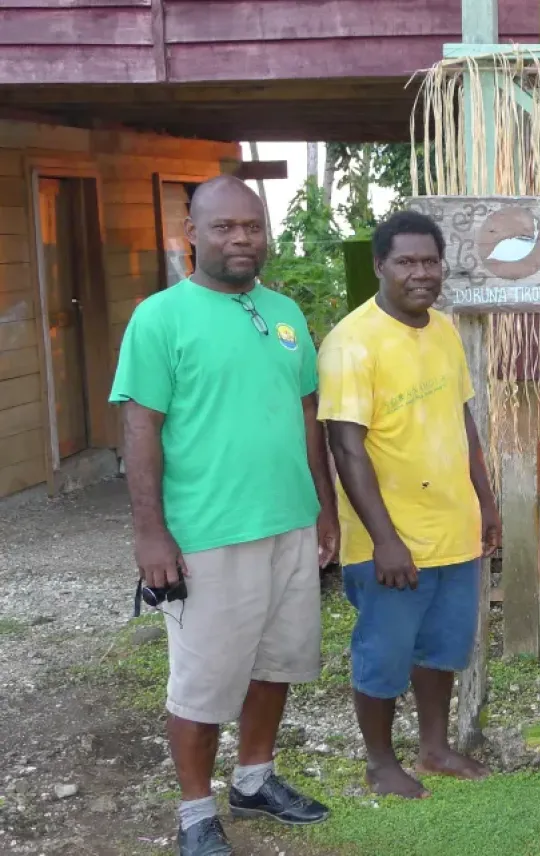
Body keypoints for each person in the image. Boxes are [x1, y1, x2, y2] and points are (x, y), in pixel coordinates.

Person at [110, 176, 339, 856]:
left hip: (290, 525)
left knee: (276, 664)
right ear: (193, 233)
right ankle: (194, 815)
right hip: (209, 534)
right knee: (205, 683)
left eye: (252, 226)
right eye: (224, 227)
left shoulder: (286, 312)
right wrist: (151, 534)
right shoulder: (160, 318)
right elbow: (140, 428)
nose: (242, 238)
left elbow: (307, 417)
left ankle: (255, 779)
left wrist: (325, 510)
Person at [317, 210, 502, 799]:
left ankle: (435, 749)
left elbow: (462, 419)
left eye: (429, 261)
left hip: (453, 527)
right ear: (379, 267)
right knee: (384, 654)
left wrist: (486, 500)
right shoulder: (352, 342)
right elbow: (345, 449)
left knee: (442, 648)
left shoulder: (444, 330)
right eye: (406, 262)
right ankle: (379, 762)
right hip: (389, 541)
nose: (420, 273)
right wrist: (385, 540)